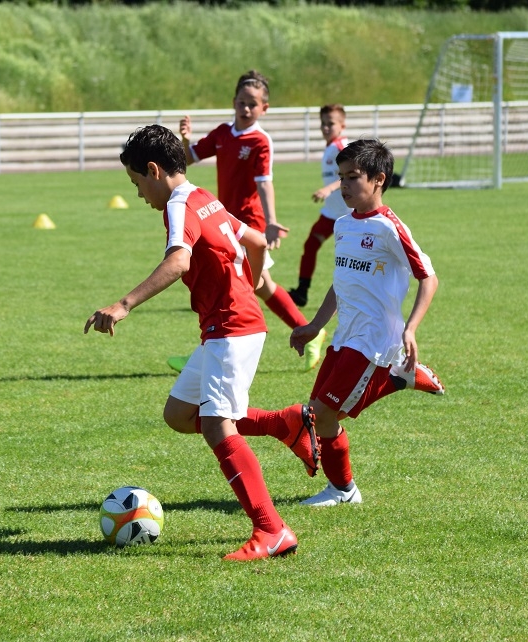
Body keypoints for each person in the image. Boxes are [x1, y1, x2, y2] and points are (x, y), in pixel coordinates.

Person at [85, 125, 320, 561]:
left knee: (216, 426)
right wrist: (249, 284)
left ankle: (271, 530)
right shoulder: (203, 197)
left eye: (137, 183)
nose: (139, 194)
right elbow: (255, 241)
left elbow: (179, 260)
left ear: (154, 170)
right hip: (226, 327)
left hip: (232, 328)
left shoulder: (178, 205)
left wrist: (123, 305)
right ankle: (283, 424)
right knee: (179, 414)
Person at [237, 139, 445, 506]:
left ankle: (345, 487)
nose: (343, 185)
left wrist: (410, 328)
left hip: (374, 340)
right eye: (340, 177)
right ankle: (345, 485)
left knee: (320, 414)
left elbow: (428, 277)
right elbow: (341, 282)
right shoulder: (345, 224)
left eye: (352, 177)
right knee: (322, 416)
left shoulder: (389, 227)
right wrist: (315, 326)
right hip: (344, 336)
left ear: (379, 179)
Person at [175, 70, 326, 372]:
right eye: (242, 102)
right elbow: (188, 158)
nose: (246, 108)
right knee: (256, 285)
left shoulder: (260, 140)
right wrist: (185, 139)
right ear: (233, 102)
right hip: (223, 220)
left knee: (233, 285)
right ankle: (309, 332)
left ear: (264, 108)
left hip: (248, 224)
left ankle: (205, 357)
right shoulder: (222, 133)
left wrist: (271, 221)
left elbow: (264, 182)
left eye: (253, 104)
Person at [288, 104, 350, 308]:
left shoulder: (342, 147)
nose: (325, 127)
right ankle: (302, 292)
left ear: (342, 125)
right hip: (331, 213)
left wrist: (328, 189)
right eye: (323, 123)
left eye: (330, 123)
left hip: (348, 213)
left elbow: (354, 173)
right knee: (311, 245)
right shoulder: (331, 147)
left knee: (349, 256)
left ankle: (352, 295)